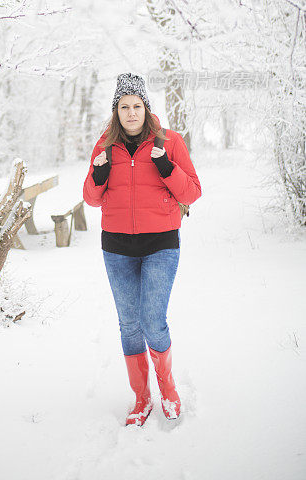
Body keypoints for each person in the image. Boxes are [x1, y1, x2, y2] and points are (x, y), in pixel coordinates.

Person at [83, 72, 202, 426]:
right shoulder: (104, 146)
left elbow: (192, 192)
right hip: (117, 248)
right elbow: (90, 198)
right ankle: (141, 398)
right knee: (129, 325)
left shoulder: (170, 142)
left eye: (137, 105)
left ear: (146, 108)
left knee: (153, 320)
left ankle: (168, 390)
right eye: (124, 106)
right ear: (116, 111)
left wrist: (166, 167)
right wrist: (100, 176)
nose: (131, 112)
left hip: (161, 245)